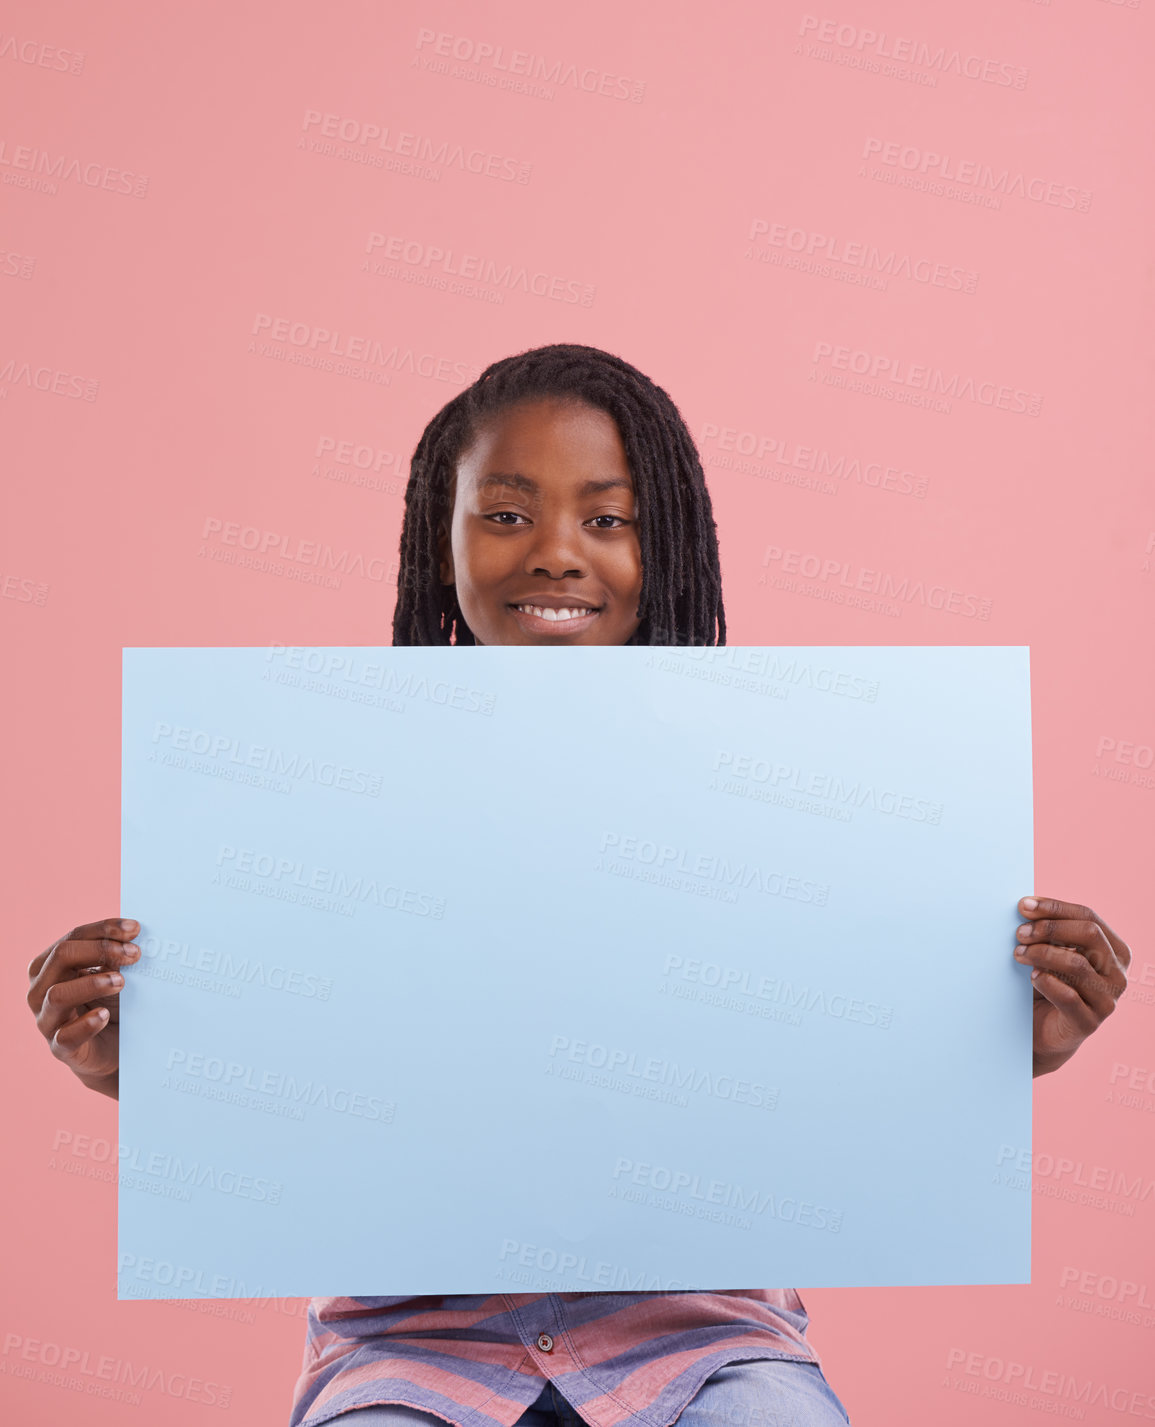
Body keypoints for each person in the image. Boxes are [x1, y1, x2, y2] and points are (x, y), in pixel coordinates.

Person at [27, 344, 1132, 1427]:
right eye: (506, 515)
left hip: (704, 1344)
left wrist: (999, 1046)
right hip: (409, 1355)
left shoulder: (776, 791)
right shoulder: (324, 780)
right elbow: (316, 1067)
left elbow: (822, 1050)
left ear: (671, 546)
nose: (558, 554)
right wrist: (154, 1066)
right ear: (437, 536)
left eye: (608, 520)